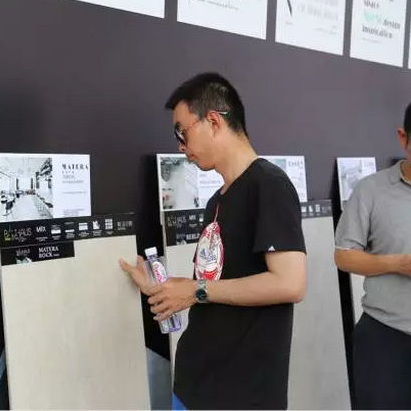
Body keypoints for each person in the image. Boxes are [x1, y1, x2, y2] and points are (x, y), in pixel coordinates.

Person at [119, 73, 307, 410]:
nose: (181, 146)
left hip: (241, 395)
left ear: (214, 121)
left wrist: (195, 291)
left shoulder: (269, 185)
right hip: (196, 384)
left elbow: (290, 283)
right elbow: (217, 282)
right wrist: (166, 288)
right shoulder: (217, 200)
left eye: (183, 132)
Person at [334, 103, 411, 410]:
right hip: (385, 337)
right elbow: (344, 256)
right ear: (403, 137)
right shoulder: (371, 190)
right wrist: (397, 264)